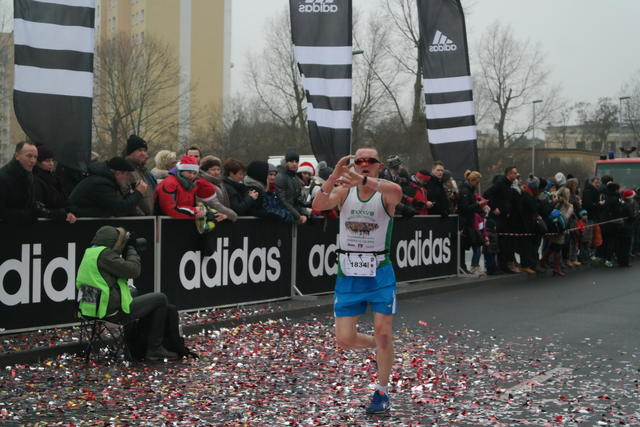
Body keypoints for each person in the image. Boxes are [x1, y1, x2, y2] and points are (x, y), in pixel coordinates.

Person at [312, 148, 403, 415]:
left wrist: (362, 180)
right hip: (349, 273)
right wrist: (333, 176)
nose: (364, 164)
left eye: (369, 161)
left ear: (378, 165)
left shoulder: (385, 191)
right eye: (359, 161)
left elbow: (397, 192)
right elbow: (318, 205)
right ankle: (380, 345)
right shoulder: (344, 191)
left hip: (380, 272)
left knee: (384, 331)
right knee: (344, 339)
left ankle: (382, 392)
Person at [76, 225, 178, 361]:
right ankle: (154, 348)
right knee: (161, 298)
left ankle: (132, 343)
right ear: (112, 241)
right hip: (110, 312)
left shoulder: (90, 253)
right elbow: (133, 270)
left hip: (89, 309)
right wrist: (131, 249)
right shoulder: (105, 254)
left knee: (133, 292)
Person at [0, 141, 73, 223]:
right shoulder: (4, 177)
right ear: (17, 156)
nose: (33, 161)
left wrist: (59, 214)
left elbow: (33, 206)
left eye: (35, 157)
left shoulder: (28, 175)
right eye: (29, 156)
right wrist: (28, 215)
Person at [70, 157, 148, 218]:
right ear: (118, 173)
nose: (128, 178)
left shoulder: (105, 180)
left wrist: (132, 194)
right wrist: (138, 193)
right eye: (127, 174)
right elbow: (119, 209)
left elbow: (116, 204)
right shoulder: (101, 184)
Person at [155, 156, 222, 220]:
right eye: (189, 172)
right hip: (164, 223)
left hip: (184, 222)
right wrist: (194, 211)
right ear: (181, 171)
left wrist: (209, 213)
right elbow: (170, 210)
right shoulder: (169, 183)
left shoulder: (192, 184)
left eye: (194, 173)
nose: (192, 176)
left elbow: (198, 206)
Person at [483, 167, 519, 274]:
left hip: (505, 218)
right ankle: (498, 266)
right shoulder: (500, 183)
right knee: (499, 242)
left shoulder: (510, 185)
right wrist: (494, 207)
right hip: (497, 218)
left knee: (505, 243)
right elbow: (486, 194)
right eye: (514, 173)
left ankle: (504, 265)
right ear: (509, 174)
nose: (516, 175)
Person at [32, 145, 77, 224]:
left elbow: (64, 201)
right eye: (47, 161)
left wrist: (69, 212)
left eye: (52, 160)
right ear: (38, 162)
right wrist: (62, 214)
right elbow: (39, 209)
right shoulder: (35, 180)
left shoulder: (55, 178)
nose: (51, 164)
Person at [121, 135, 157, 216]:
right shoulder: (126, 171)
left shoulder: (142, 171)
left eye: (145, 150)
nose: (144, 154)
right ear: (130, 152)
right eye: (140, 150)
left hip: (148, 219)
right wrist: (141, 217)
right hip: (138, 220)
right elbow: (127, 198)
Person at [276, 149, 309, 224]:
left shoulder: (296, 178)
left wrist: (306, 212)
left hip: (293, 215)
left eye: (296, 161)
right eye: (291, 161)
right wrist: (298, 216)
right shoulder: (280, 177)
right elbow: (283, 201)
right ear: (286, 162)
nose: (294, 164)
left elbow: (298, 200)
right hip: (283, 217)